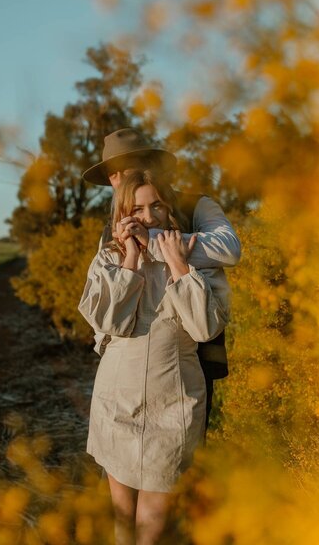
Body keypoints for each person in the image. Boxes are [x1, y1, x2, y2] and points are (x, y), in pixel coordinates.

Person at [78, 169, 230, 544]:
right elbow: (108, 320)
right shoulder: (109, 257)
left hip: (173, 393)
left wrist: (178, 264)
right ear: (124, 212)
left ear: (168, 207)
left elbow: (204, 328)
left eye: (156, 205)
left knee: (153, 516)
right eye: (138, 208)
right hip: (118, 390)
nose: (147, 217)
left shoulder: (195, 254)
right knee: (121, 514)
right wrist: (130, 257)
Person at [82, 128, 241, 431]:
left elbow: (230, 249)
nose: (120, 180)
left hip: (194, 353)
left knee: (182, 450)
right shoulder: (113, 227)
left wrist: (154, 240)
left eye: (127, 169)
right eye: (113, 175)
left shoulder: (198, 205)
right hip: (130, 363)